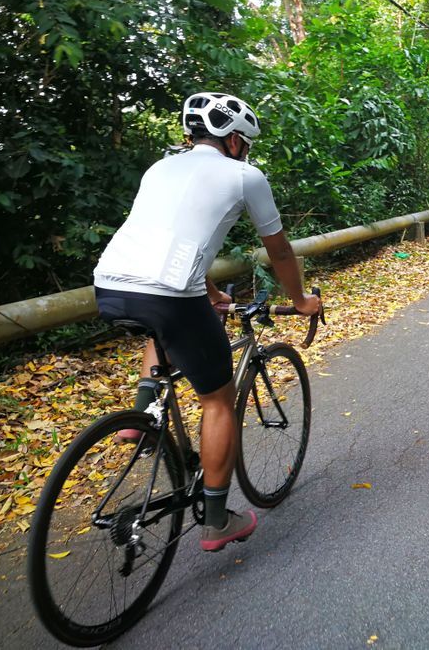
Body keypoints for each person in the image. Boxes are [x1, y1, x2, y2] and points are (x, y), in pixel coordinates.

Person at [93, 92, 321, 552]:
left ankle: (141, 415)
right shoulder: (244, 176)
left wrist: (212, 294)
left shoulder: (159, 168)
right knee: (217, 401)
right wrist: (299, 300)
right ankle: (217, 520)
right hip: (171, 293)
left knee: (161, 324)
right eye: (247, 142)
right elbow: (278, 250)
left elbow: (168, 237)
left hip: (111, 283)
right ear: (235, 140)